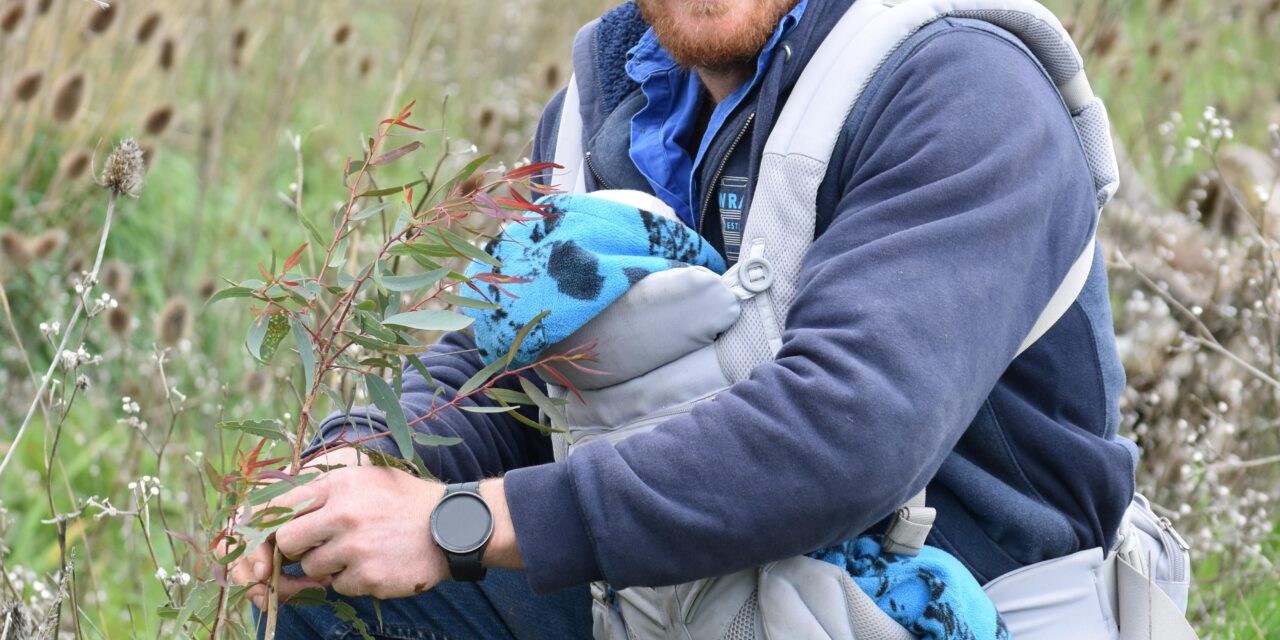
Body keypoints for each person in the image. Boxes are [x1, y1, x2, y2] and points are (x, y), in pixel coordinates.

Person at [231, 0, 1141, 638]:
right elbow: (505, 361)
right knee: (344, 589)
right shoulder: (604, 108)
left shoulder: (959, 87)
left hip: (954, 611)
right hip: (689, 606)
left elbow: (847, 433)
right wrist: (357, 468)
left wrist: (451, 523)